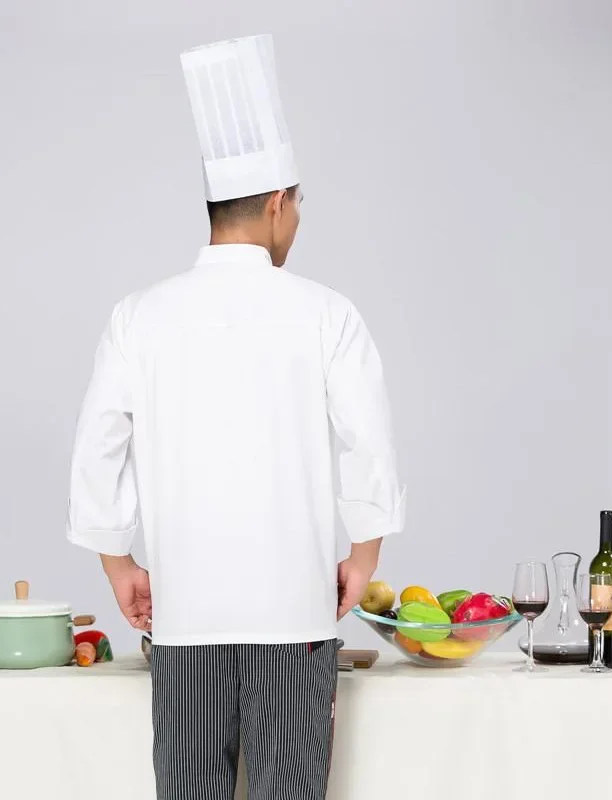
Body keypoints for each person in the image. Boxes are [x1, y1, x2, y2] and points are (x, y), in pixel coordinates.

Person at [67, 34, 405, 800]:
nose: (298, 220)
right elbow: (369, 444)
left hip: (185, 619)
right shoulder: (326, 313)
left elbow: (97, 450)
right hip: (295, 618)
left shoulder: (139, 315)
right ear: (279, 201)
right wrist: (364, 555)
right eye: (300, 205)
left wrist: (119, 565)